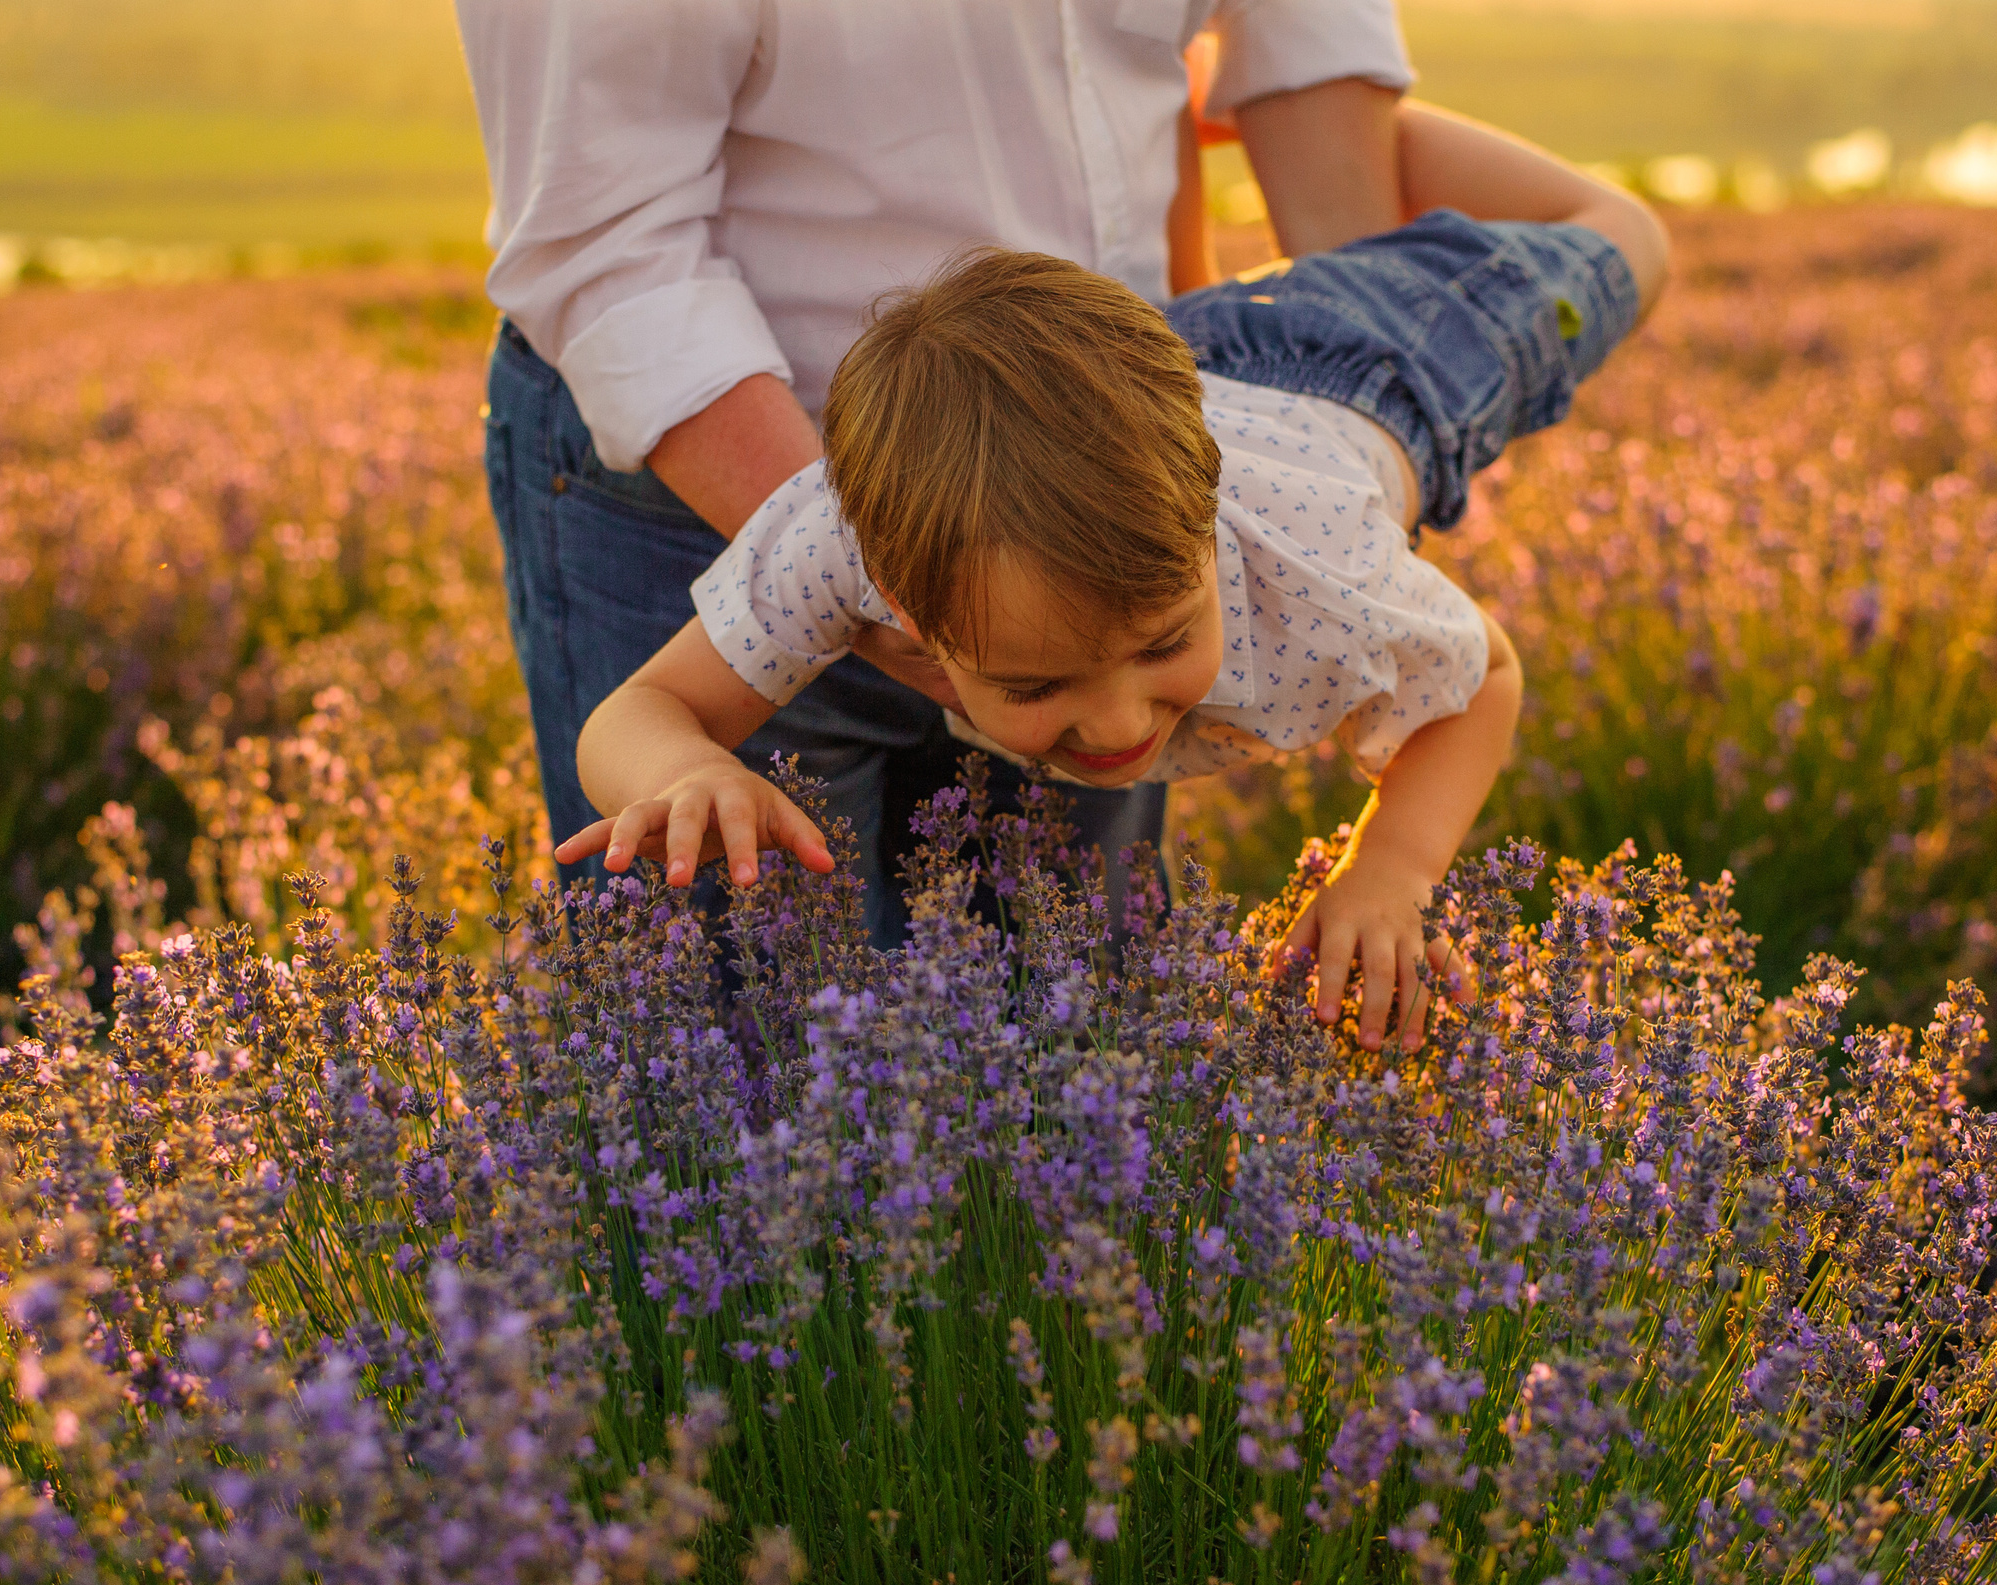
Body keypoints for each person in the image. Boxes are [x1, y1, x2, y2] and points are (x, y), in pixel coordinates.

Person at [556, 103, 1672, 1050]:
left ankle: (1344, 115)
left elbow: (1481, 678)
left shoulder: (1321, 583)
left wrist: (1392, 871)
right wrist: (678, 772)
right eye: (1037, 687)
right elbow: (638, 710)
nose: (1119, 723)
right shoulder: (836, 537)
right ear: (899, 607)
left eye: (1161, 642)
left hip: (1378, 366)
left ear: (1201, 550)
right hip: (1156, 373)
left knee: (1624, 242)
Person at [452, 1, 1425, 948]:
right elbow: (605, 237)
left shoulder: (1116, 638)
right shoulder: (829, 559)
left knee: (1072, 1024)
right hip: (708, 461)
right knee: (736, 1049)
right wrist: (700, 749)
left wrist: (1346, 454)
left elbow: (1309, 47)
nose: (1125, 720)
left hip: (1104, 498)